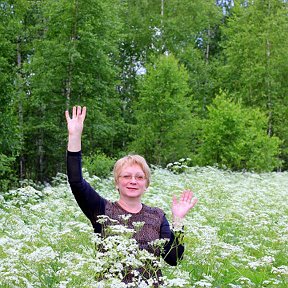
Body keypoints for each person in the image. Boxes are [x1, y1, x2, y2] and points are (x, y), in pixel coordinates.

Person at [65, 106, 198, 286]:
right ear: (117, 182)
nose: (133, 181)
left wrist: (178, 220)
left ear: (146, 184)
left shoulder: (157, 216)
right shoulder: (103, 210)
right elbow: (76, 182)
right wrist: (75, 137)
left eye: (139, 177)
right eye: (126, 176)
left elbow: (174, 259)